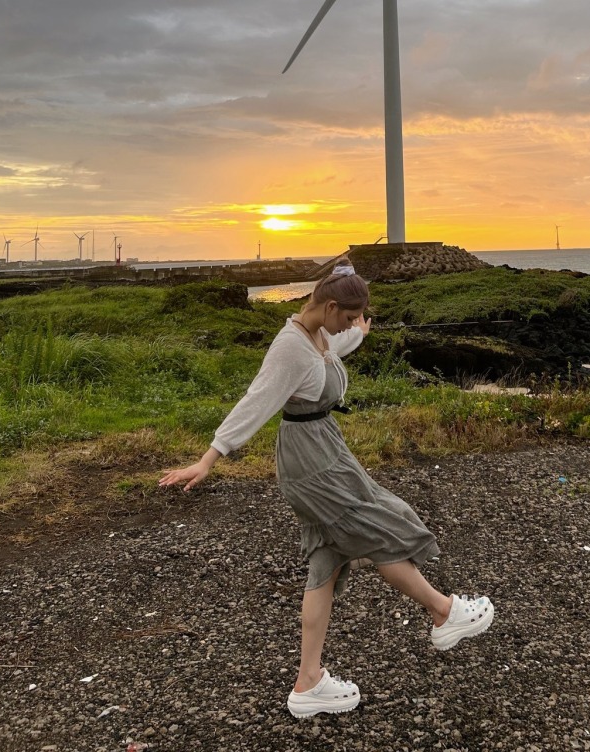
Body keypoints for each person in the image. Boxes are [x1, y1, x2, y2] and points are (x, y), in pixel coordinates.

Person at [159, 259, 494, 718]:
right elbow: (256, 401)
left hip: (323, 448)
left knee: (328, 561)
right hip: (310, 464)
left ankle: (308, 683)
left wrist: (359, 333)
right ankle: (443, 612)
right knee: (378, 524)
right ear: (330, 305)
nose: (352, 325)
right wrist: (209, 458)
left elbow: (335, 347)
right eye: (350, 317)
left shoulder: (320, 334)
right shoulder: (289, 348)